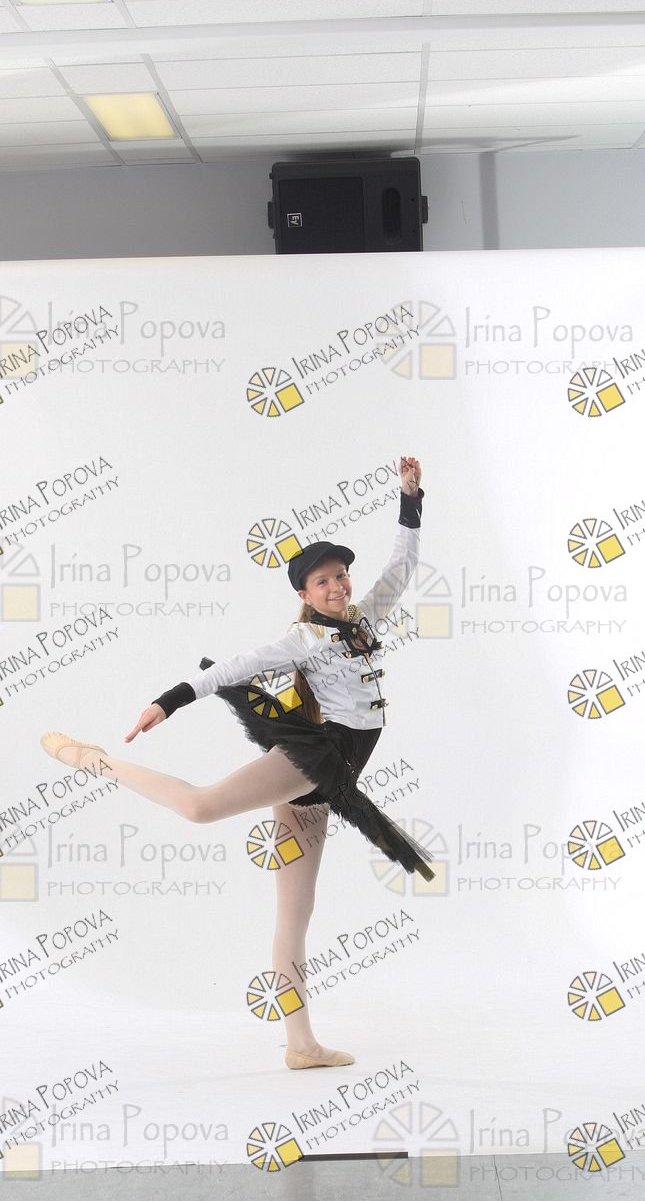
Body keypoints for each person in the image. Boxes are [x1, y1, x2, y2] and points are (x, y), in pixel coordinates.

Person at [41, 455, 435, 1071]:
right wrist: (167, 702)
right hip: (314, 760)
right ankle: (96, 761)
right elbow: (232, 669)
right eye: (323, 582)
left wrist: (409, 498)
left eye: (341, 576)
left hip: (329, 783)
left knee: (294, 918)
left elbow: (402, 566)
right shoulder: (301, 639)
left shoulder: (364, 620)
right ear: (304, 595)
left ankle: (301, 1045)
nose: (337, 587)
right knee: (200, 808)